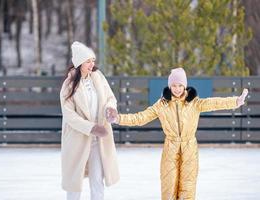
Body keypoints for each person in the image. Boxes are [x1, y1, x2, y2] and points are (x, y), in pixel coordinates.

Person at [106, 67, 248, 200]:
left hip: (190, 149)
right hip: (170, 149)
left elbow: (215, 103)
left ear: (185, 86)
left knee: (188, 188)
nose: (177, 89)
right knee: (169, 189)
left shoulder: (195, 103)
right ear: (169, 86)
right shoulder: (161, 105)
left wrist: (236, 101)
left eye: (180, 85)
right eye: (174, 85)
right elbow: (140, 118)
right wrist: (118, 118)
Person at [60, 41, 119, 200]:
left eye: (93, 60)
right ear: (79, 63)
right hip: (77, 139)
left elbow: (110, 97)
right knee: (74, 183)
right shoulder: (69, 85)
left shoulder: (98, 77)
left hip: (98, 141)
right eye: (88, 61)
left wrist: (110, 108)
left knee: (97, 180)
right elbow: (69, 116)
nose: (92, 64)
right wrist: (91, 127)